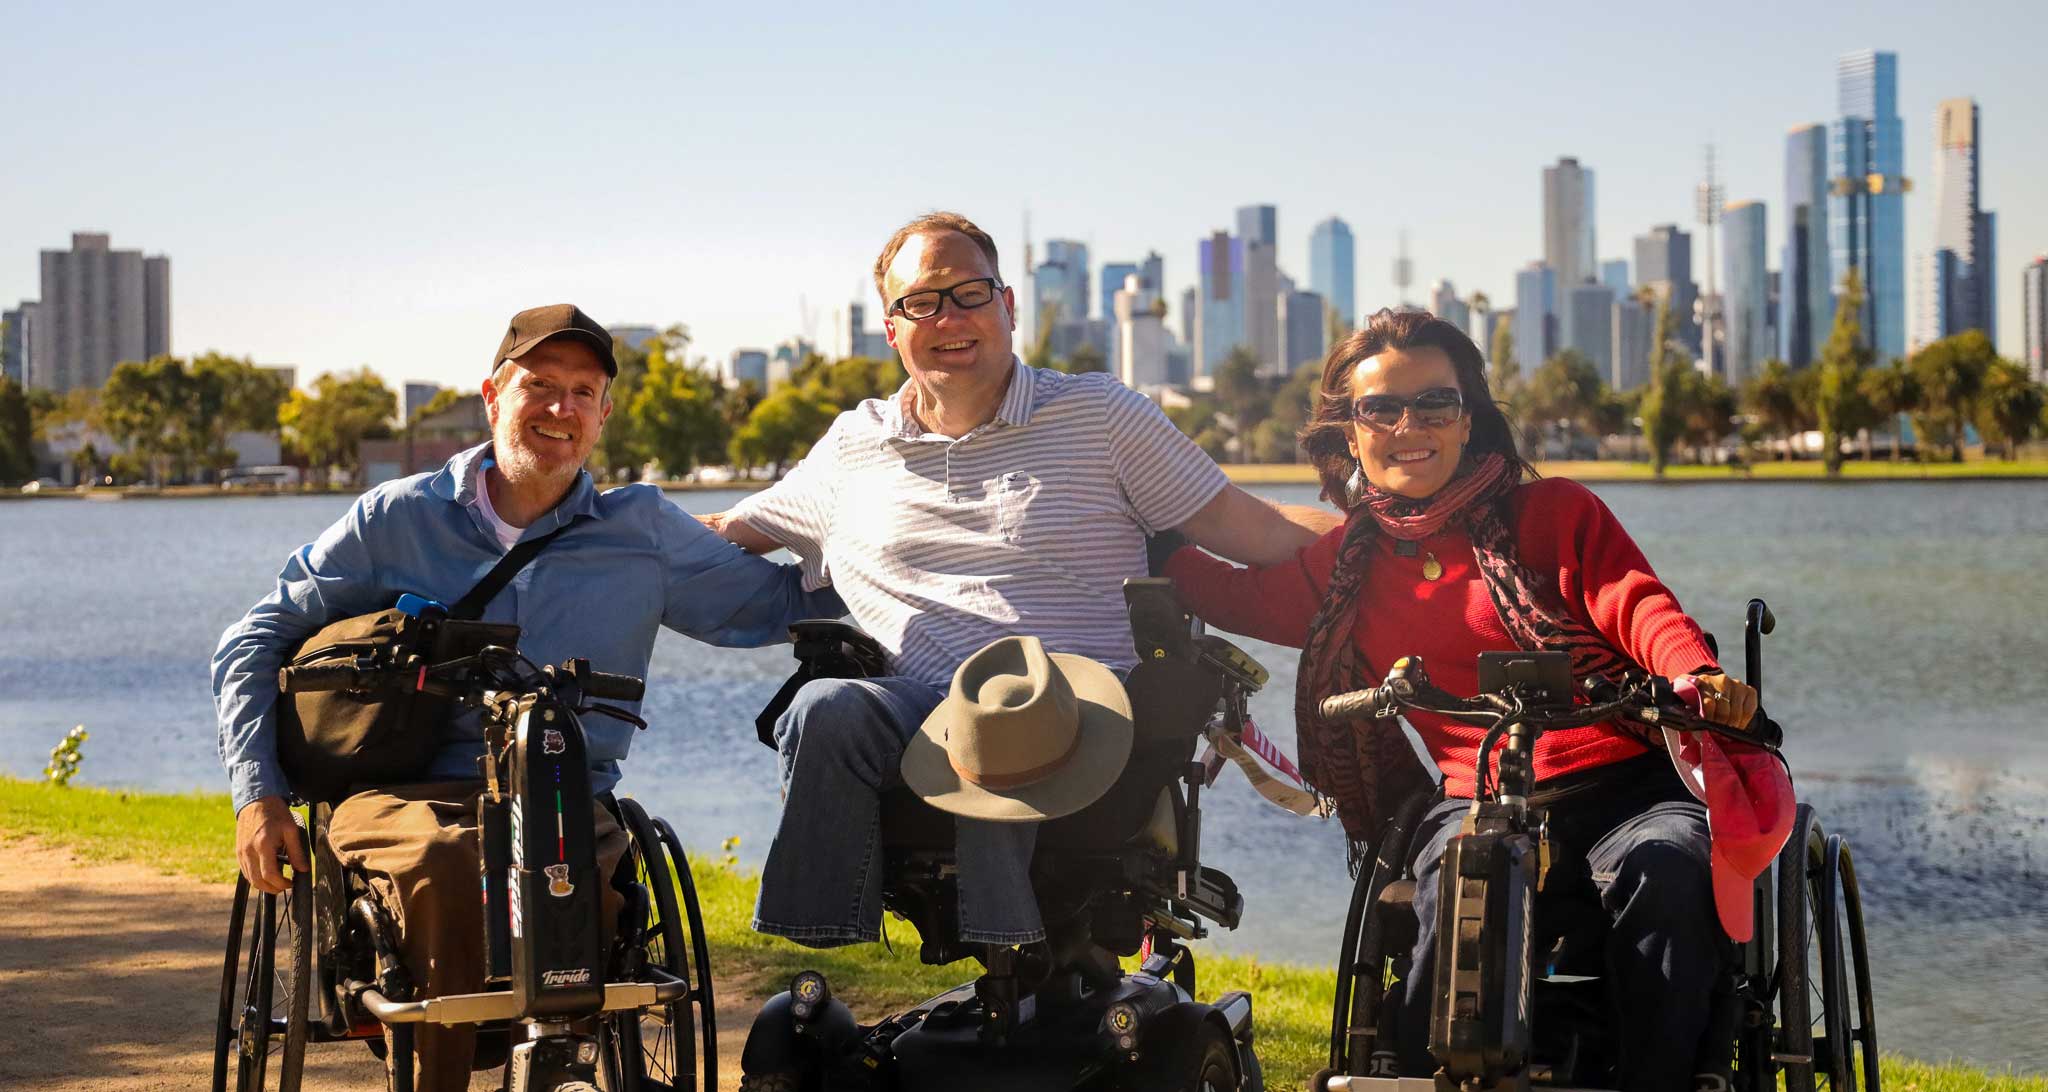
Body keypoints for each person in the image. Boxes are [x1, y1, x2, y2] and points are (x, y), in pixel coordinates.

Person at [213, 303, 841, 1091]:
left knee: (567, 872)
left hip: (569, 793)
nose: (561, 408)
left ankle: (561, 1068)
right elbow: (252, 639)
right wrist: (258, 794)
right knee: (445, 862)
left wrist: (885, 534)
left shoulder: (639, 531)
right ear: (492, 396)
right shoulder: (398, 519)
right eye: (540, 385)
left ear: (604, 415)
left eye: (583, 393)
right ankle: (435, 1076)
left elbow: (787, 606)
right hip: (402, 792)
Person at [1163, 308, 1765, 1092]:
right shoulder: (1350, 561)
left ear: (1468, 420)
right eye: (1381, 408)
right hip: (1476, 797)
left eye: (1433, 405)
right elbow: (1235, 595)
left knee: (1672, 866)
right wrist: (1137, 539)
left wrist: (1693, 673)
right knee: (1459, 878)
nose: (1407, 425)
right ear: (1352, 433)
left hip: (1628, 793)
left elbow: (1634, 600)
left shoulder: (1553, 514)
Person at [701, 211, 1338, 951]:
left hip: (1076, 700)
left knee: (1002, 717)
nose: (949, 317)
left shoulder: (1100, 415)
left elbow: (1250, 525)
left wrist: (1393, 535)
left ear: (1008, 306)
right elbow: (723, 534)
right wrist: (591, 524)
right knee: (825, 705)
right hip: (917, 701)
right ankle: (819, 941)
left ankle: (1009, 945)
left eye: (969, 294)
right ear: (892, 329)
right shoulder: (854, 446)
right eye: (922, 302)